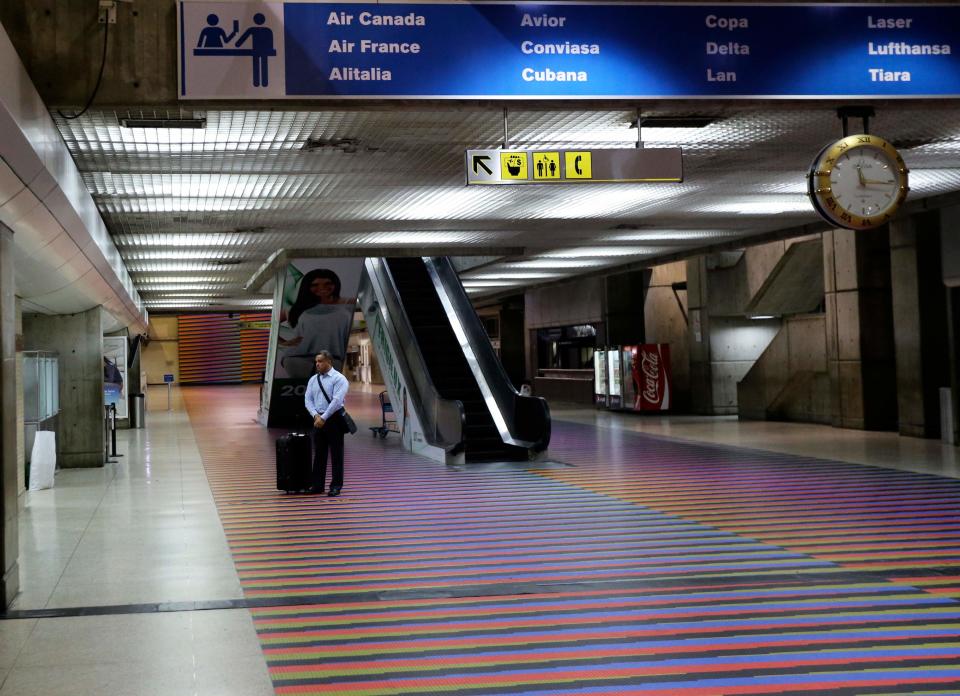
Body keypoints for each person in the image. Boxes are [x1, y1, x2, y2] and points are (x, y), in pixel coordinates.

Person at [279, 269, 355, 379]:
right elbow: (270, 325)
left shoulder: (349, 304)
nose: (322, 288)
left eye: (328, 283)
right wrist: (286, 343)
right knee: (305, 393)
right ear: (307, 287)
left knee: (327, 392)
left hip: (333, 358)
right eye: (314, 285)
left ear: (335, 284)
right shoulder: (295, 308)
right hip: (297, 358)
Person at [304, 350, 349, 496]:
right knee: (319, 454)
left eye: (320, 361)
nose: (317, 364)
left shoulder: (339, 379)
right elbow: (308, 400)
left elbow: (337, 401)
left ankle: (335, 486)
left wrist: (324, 417)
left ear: (329, 361)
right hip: (318, 420)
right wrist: (316, 415)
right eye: (316, 361)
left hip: (334, 419)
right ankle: (317, 485)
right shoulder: (313, 380)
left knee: (336, 454)